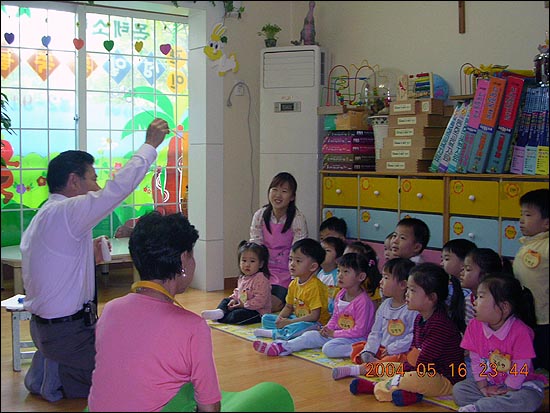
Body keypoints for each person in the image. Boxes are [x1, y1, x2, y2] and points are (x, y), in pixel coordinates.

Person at [21, 118, 170, 400]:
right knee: (127, 380)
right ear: (74, 181)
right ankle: (56, 375)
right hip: (67, 334)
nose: (97, 184)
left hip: (52, 329)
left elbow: (47, 264)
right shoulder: (67, 212)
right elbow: (116, 190)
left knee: (119, 353)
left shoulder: (47, 215)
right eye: (92, 178)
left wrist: (87, 252)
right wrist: (150, 146)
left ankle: (54, 367)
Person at [88, 212, 294, 412]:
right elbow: (209, 407)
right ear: (184, 260)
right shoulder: (192, 326)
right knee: (273, 393)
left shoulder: (110, 310)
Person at [349, 263, 465, 407]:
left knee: (407, 378)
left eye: (413, 290)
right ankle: (410, 395)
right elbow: (413, 352)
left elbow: (424, 363)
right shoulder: (419, 318)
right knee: (386, 367)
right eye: (408, 289)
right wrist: (402, 367)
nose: (407, 294)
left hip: (443, 378)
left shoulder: (440, 325)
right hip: (421, 370)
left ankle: (375, 388)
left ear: (431, 297)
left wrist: (403, 371)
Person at [453, 273, 548, 412]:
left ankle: (482, 407)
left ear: (504, 307)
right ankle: (493, 405)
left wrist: (508, 390)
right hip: (491, 384)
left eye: (481, 297)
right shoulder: (474, 325)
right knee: (459, 390)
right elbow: (476, 360)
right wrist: (483, 387)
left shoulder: (521, 331)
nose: (474, 302)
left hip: (520, 386)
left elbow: (520, 369)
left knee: (528, 399)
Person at [253, 253, 375, 358]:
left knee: (329, 349)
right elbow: (335, 317)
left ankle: (361, 350)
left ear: (361, 277)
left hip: (356, 338)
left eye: (346, 272)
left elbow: (360, 330)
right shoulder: (340, 294)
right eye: (339, 271)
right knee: (309, 335)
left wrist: (334, 334)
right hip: (337, 334)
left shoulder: (363, 302)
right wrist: (327, 328)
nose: (340, 275)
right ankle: (283, 347)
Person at [332, 257, 417, 380]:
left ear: (403, 284)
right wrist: (370, 350)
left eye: (386, 278)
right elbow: (376, 332)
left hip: (398, 352)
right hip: (381, 349)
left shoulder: (411, 309)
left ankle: (357, 370)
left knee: (394, 363)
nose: (381, 282)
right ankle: (371, 363)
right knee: (359, 349)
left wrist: (392, 349)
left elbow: (412, 337)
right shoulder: (384, 305)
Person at [250, 172, 308, 312]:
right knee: (246, 297)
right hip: (264, 272)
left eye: (284, 191)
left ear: (292, 197)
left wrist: (296, 283)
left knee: (269, 304)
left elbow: (299, 253)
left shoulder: (297, 218)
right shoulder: (260, 215)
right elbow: (255, 247)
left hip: (286, 275)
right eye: (274, 190)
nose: (278, 195)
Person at [253, 238, 330, 341]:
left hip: (315, 323)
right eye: (290, 259)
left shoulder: (315, 286)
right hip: (296, 318)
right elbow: (288, 307)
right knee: (266, 318)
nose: (292, 264)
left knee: (300, 327)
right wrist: (280, 319)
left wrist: (289, 322)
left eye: (298, 261)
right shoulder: (293, 283)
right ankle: (282, 329)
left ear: (313, 267)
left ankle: (277, 333)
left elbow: (314, 316)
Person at [512, 188, 549, 372]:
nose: (521, 220)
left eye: (528, 214)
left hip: (545, 316)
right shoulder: (528, 243)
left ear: (547, 223)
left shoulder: (546, 246)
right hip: (528, 314)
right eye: (521, 214)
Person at [201, 241, 271, 325]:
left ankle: (222, 317)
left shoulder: (261, 279)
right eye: (244, 261)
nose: (247, 265)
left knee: (237, 315)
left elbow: (260, 301)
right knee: (226, 300)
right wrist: (234, 300)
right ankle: (220, 312)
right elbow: (238, 292)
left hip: (257, 311)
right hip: (242, 305)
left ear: (261, 264)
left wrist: (243, 305)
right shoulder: (243, 277)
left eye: (252, 261)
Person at [461, 248, 512, 325]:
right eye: (463, 268)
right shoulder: (468, 300)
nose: (462, 272)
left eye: (468, 269)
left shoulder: (497, 302)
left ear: (485, 275)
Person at [317, 236, 347, 314]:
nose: (321, 253)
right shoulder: (319, 273)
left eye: (327, 250)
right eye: (320, 250)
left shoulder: (338, 275)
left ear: (338, 258)